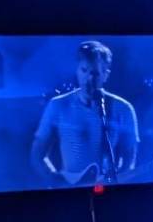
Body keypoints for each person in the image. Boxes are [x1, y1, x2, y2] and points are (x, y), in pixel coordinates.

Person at [31, 39, 139, 186]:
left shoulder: (124, 109)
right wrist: (55, 180)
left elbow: (129, 160)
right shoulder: (58, 105)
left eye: (95, 73)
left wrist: (115, 182)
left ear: (106, 74)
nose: (89, 78)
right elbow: (37, 154)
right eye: (84, 70)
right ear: (77, 70)